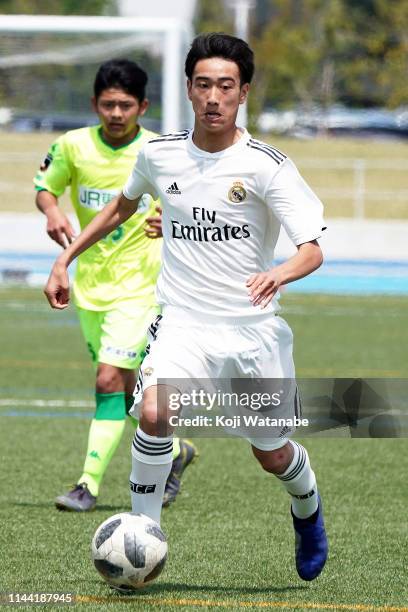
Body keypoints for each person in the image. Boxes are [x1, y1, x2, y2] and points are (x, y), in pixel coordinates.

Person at [44, 35, 328, 580]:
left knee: (270, 453)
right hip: (182, 322)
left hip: (252, 332)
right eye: (203, 85)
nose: (213, 97)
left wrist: (279, 272)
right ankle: (143, 537)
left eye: (226, 86)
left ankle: (308, 506)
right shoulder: (159, 153)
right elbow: (122, 208)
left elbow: (311, 248)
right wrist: (67, 259)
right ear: (189, 90)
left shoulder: (267, 165)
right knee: (154, 412)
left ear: (243, 92)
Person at [35, 58, 197, 512]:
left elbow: (192, 202)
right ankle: (176, 449)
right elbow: (45, 185)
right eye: (108, 104)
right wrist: (51, 210)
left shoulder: (162, 151)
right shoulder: (72, 146)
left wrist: (171, 219)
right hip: (90, 284)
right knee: (126, 390)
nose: (116, 113)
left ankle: (87, 484)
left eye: (126, 105)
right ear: (94, 104)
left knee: (107, 378)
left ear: (143, 106)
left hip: (143, 286)